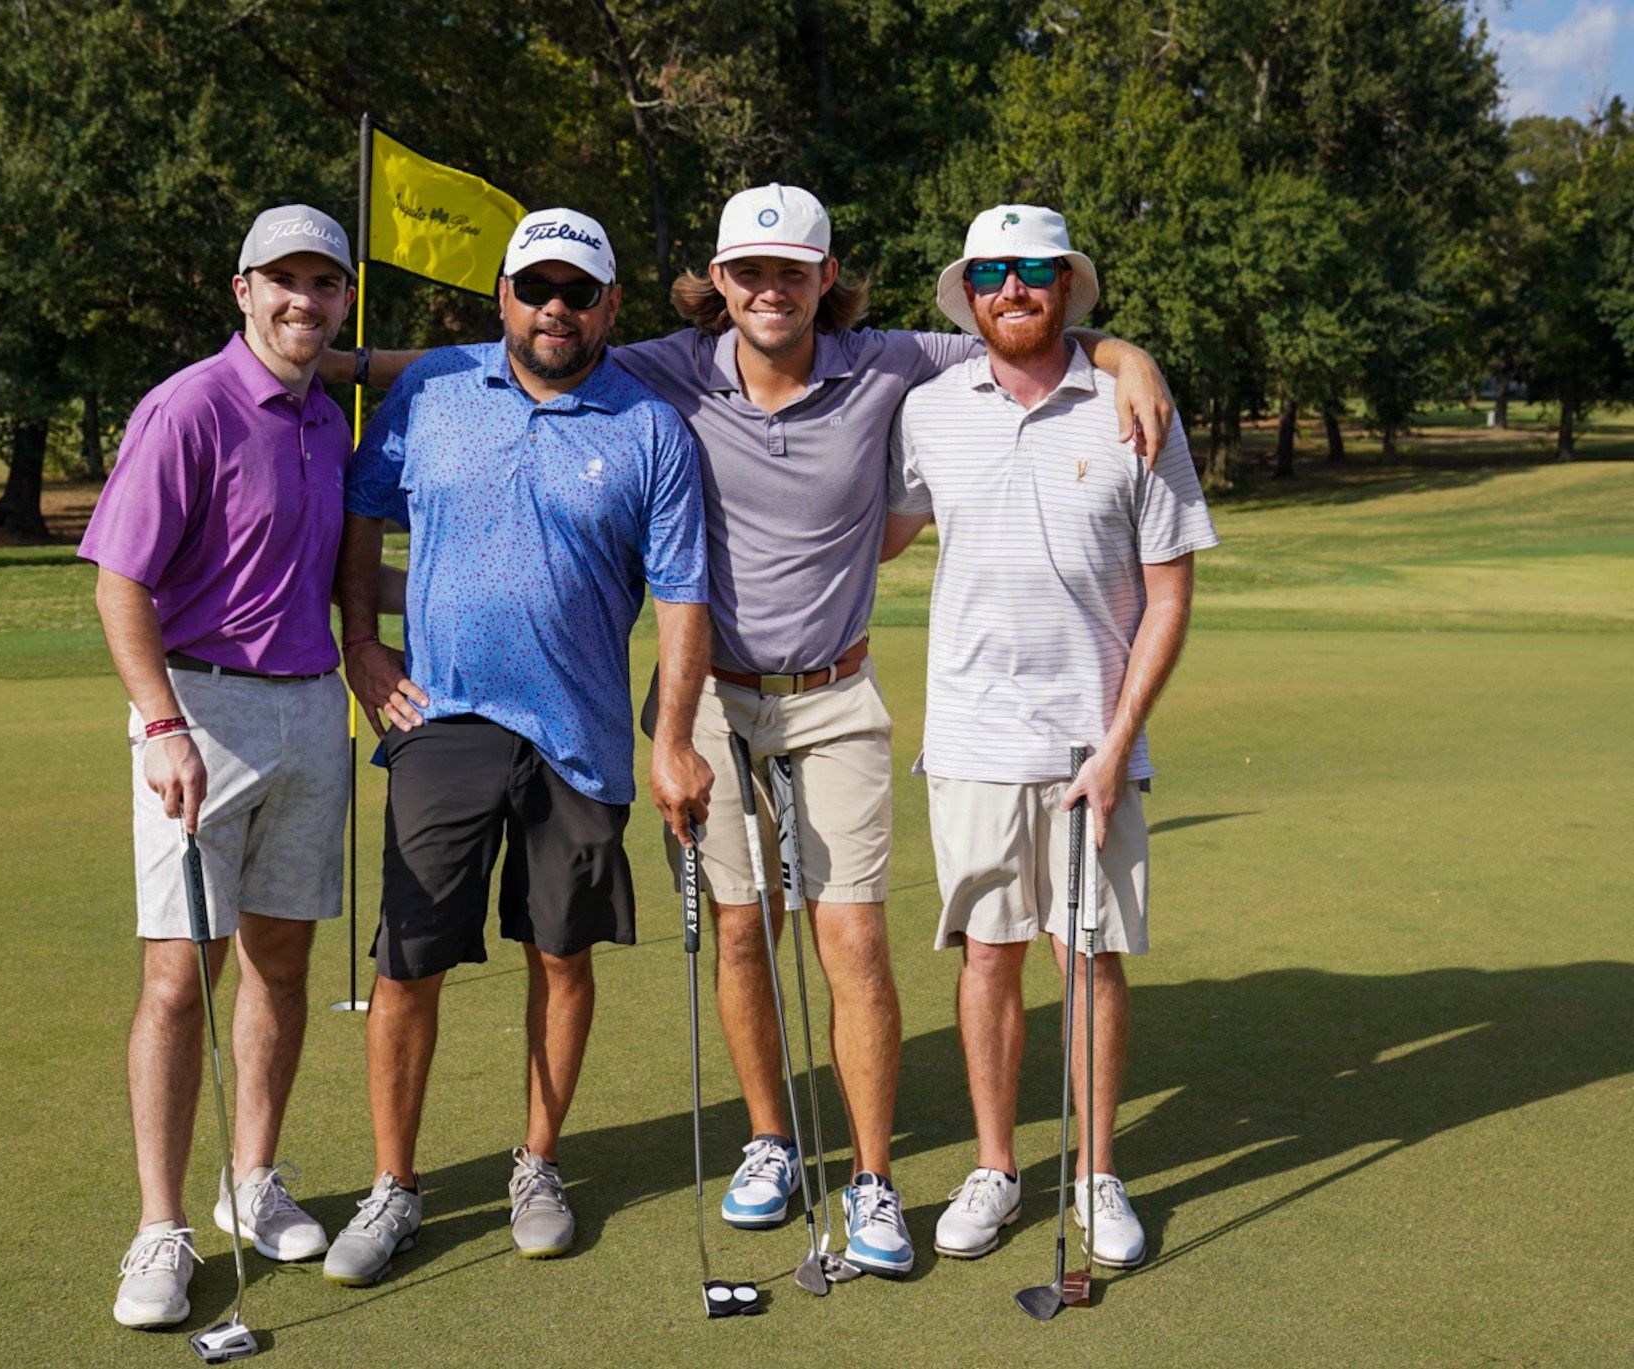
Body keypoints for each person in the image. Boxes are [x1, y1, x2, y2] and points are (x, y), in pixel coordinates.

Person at [323, 183, 1172, 1277]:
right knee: (738, 928)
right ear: (715, 285)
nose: (769, 290)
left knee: (850, 937)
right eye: (747, 272)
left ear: (826, 279)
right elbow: (510, 355)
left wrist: (1120, 354)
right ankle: (770, 1140)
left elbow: (1015, 330)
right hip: (714, 698)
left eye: (792, 271)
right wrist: (326, 361)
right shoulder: (662, 367)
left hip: (834, 694)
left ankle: (868, 1178)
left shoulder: (884, 362)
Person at [325, 208, 713, 1286]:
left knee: (561, 952)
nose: (554, 308)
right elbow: (362, 511)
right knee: (407, 960)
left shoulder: (649, 429)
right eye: (534, 287)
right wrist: (360, 643)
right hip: (439, 716)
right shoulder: (433, 389)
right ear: (500, 294)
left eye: (576, 292)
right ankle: (394, 1184)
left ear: (609, 307)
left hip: (579, 735)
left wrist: (670, 738)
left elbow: (682, 597)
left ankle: (537, 1163)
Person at [884, 204, 1218, 1270]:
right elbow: (871, 532)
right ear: (968, 291)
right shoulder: (929, 409)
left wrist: (1121, 741)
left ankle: (1094, 1170)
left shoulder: (1133, 409)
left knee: (1090, 959)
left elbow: (1169, 594)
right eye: (990, 273)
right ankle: (994, 1165)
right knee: (987, 956)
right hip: (973, 734)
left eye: (1033, 270)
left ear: (1066, 285)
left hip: (1091, 741)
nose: (1011, 289)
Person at [82, 205, 394, 1329]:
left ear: (343, 298)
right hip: (198, 709)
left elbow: (333, 576)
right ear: (242, 289)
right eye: (283, 281)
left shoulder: (329, 423)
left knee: (279, 961)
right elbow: (119, 582)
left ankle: (249, 1180)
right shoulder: (188, 408)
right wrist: (160, 724)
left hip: (311, 709)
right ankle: (158, 1225)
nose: (303, 300)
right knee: (179, 976)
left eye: (324, 282)